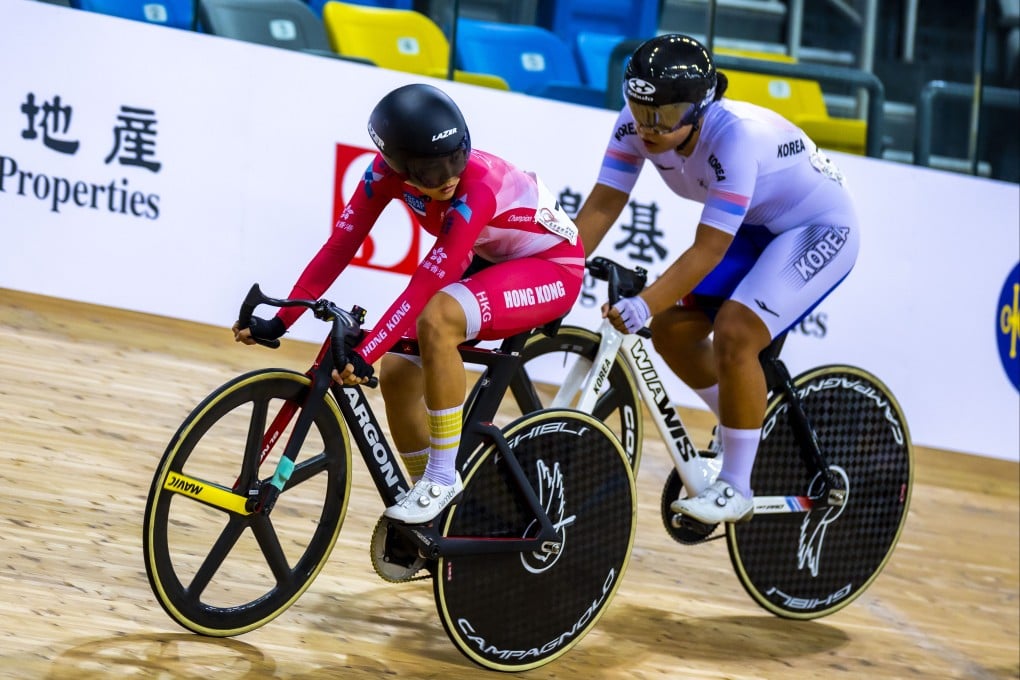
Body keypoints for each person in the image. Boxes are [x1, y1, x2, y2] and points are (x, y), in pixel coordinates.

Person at [233, 83, 584, 524]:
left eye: (456, 158)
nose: (449, 177)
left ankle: (441, 479)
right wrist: (281, 320)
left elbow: (428, 283)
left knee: (438, 319)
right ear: (400, 166)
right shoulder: (382, 175)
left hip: (551, 267)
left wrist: (365, 352)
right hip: (492, 256)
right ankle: (442, 515)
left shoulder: (478, 186)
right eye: (432, 171)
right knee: (398, 374)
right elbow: (339, 247)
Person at [574, 34, 860, 524]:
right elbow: (603, 205)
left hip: (817, 227)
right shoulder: (633, 125)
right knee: (672, 331)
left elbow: (708, 249)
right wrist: (555, 268)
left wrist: (644, 303)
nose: (649, 127)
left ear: (700, 108)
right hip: (756, 224)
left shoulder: (735, 141)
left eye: (665, 116)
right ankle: (743, 420)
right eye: (640, 110)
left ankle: (736, 487)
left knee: (735, 332)